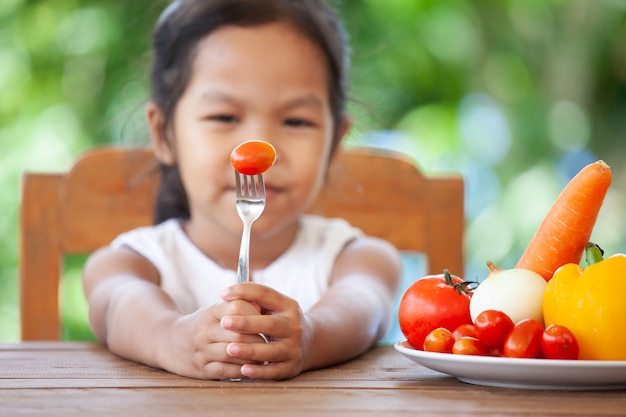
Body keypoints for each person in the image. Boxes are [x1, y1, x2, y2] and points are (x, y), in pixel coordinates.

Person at [83, 0, 401, 381]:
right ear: (164, 133)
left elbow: (365, 305)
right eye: (224, 117)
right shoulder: (134, 262)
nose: (259, 150)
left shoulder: (355, 259)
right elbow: (117, 303)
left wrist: (312, 336)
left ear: (335, 144)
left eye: (296, 120)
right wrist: (170, 338)